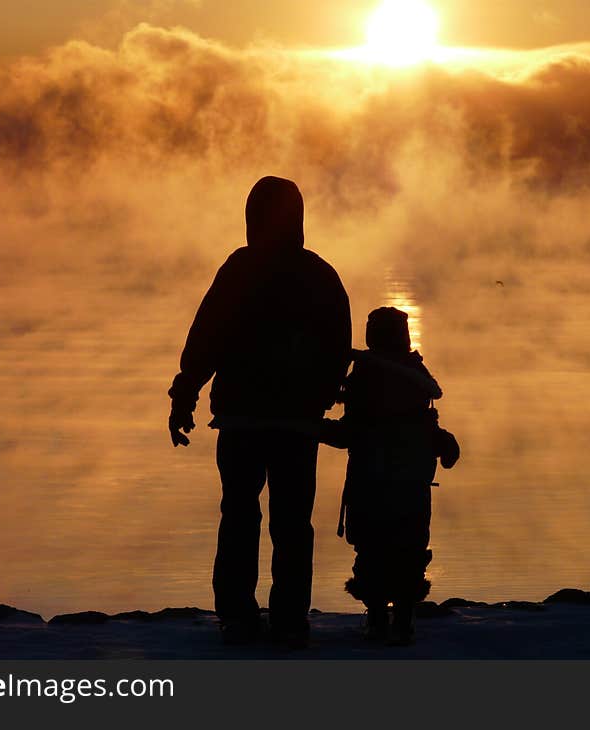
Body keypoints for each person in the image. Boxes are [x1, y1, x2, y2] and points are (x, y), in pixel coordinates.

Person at [168, 176, 352, 647]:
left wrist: (185, 394)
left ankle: (238, 616)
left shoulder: (239, 269)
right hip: (292, 423)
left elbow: (206, 336)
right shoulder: (320, 275)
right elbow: (337, 347)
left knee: (240, 516)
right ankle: (289, 619)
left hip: (243, 419)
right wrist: (323, 395)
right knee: (291, 522)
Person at [322, 307, 459, 645]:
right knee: (409, 548)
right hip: (410, 484)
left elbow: (350, 433)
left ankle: (380, 619)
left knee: (371, 549)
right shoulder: (414, 373)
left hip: (370, 482)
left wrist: (309, 428)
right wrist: (443, 442)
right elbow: (425, 425)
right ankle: (401, 619)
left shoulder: (364, 375)